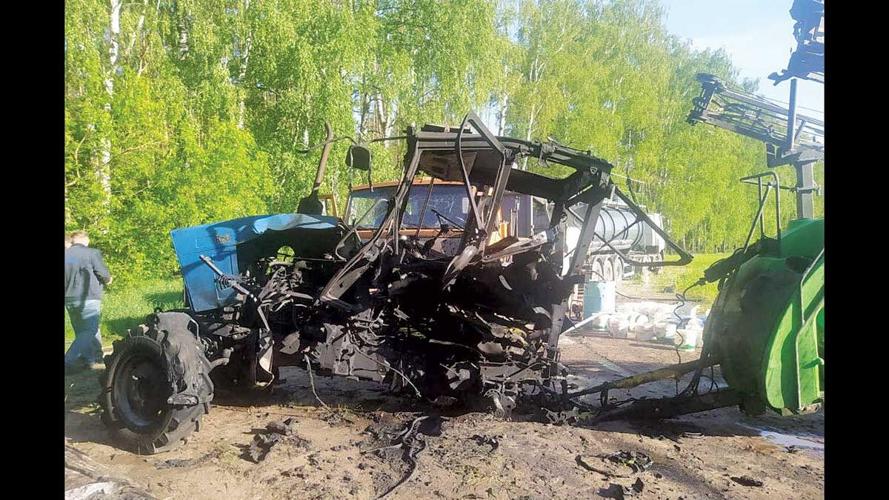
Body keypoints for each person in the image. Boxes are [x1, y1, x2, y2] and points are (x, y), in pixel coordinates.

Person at [64, 230, 113, 372]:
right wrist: (108, 279)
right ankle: (68, 360)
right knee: (89, 330)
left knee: (83, 330)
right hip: (88, 296)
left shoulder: (66, 255)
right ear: (85, 240)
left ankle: (92, 358)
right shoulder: (92, 253)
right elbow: (102, 274)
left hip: (69, 298)